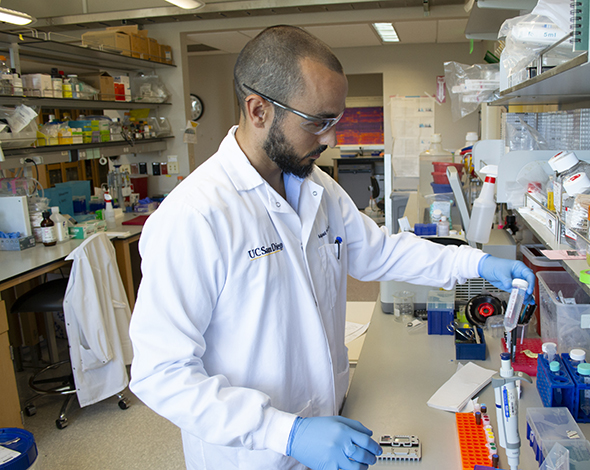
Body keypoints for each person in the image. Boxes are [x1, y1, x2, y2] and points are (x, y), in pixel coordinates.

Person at [129, 25, 534, 470]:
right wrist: (286, 432)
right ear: (258, 109)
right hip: (252, 453)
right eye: (318, 122)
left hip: (328, 427)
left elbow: (381, 252)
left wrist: (472, 261)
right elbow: (161, 373)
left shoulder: (315, 186)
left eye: (335, 122)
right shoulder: (196, 216)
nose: (331, 140)